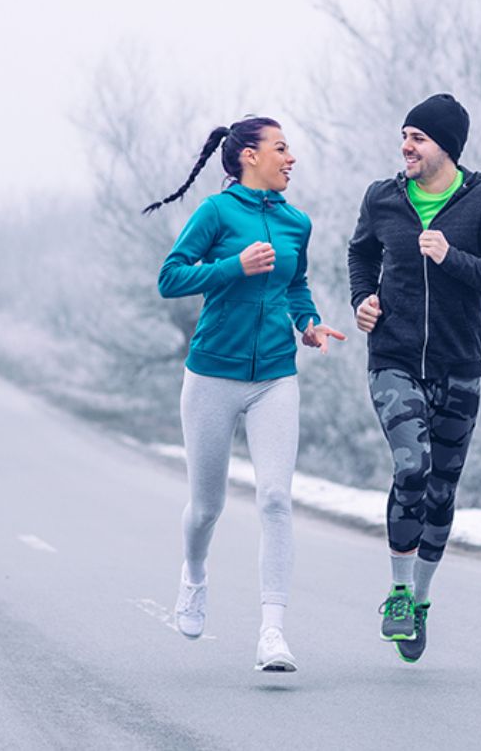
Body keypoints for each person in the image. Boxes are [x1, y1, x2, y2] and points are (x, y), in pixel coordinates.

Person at [146, 116, 345, 672]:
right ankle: (194, 575)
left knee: (276, 499)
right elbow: (170, 277)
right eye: (281, 149)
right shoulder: (216, 212)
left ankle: (273, 633)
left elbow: (295, 284)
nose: (291, 158)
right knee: (207, 506)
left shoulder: (296, 222)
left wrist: (308, 322)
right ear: (249, 157)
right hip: (212, 375)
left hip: (275, 377)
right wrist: (233, 266)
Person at [347, 93, 481, 663]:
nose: (406, 146)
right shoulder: (383, 198)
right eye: (404, 135)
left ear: (445, 147)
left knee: (443, 491)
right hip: (394, 358)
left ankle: (421, 602)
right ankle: (398, 594)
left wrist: (453, 257)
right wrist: (362, 300)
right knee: (412, 466)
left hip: (458, 367)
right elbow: (360, 255)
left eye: (417, 138)